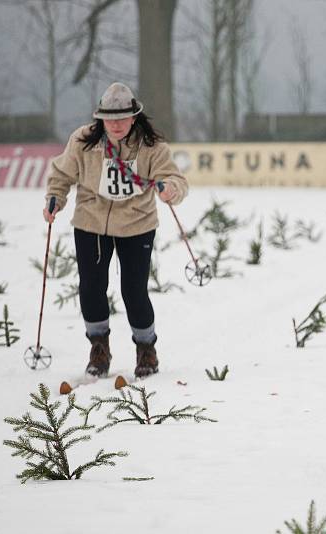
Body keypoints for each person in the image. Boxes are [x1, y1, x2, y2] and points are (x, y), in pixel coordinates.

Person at [43, 82, 188, 378]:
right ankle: (99, 347)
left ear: (134, 116)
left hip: (137, 225)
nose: (116, 124)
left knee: (133, 291)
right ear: (100, 118)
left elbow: (175, 178)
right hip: (91, 223)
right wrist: (55, 197)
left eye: (122, 118)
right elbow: (62, 173)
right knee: (91, 287)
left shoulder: (151, 146)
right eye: (110, 118)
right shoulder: (83, 141)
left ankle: (146, 348)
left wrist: (170, 189)